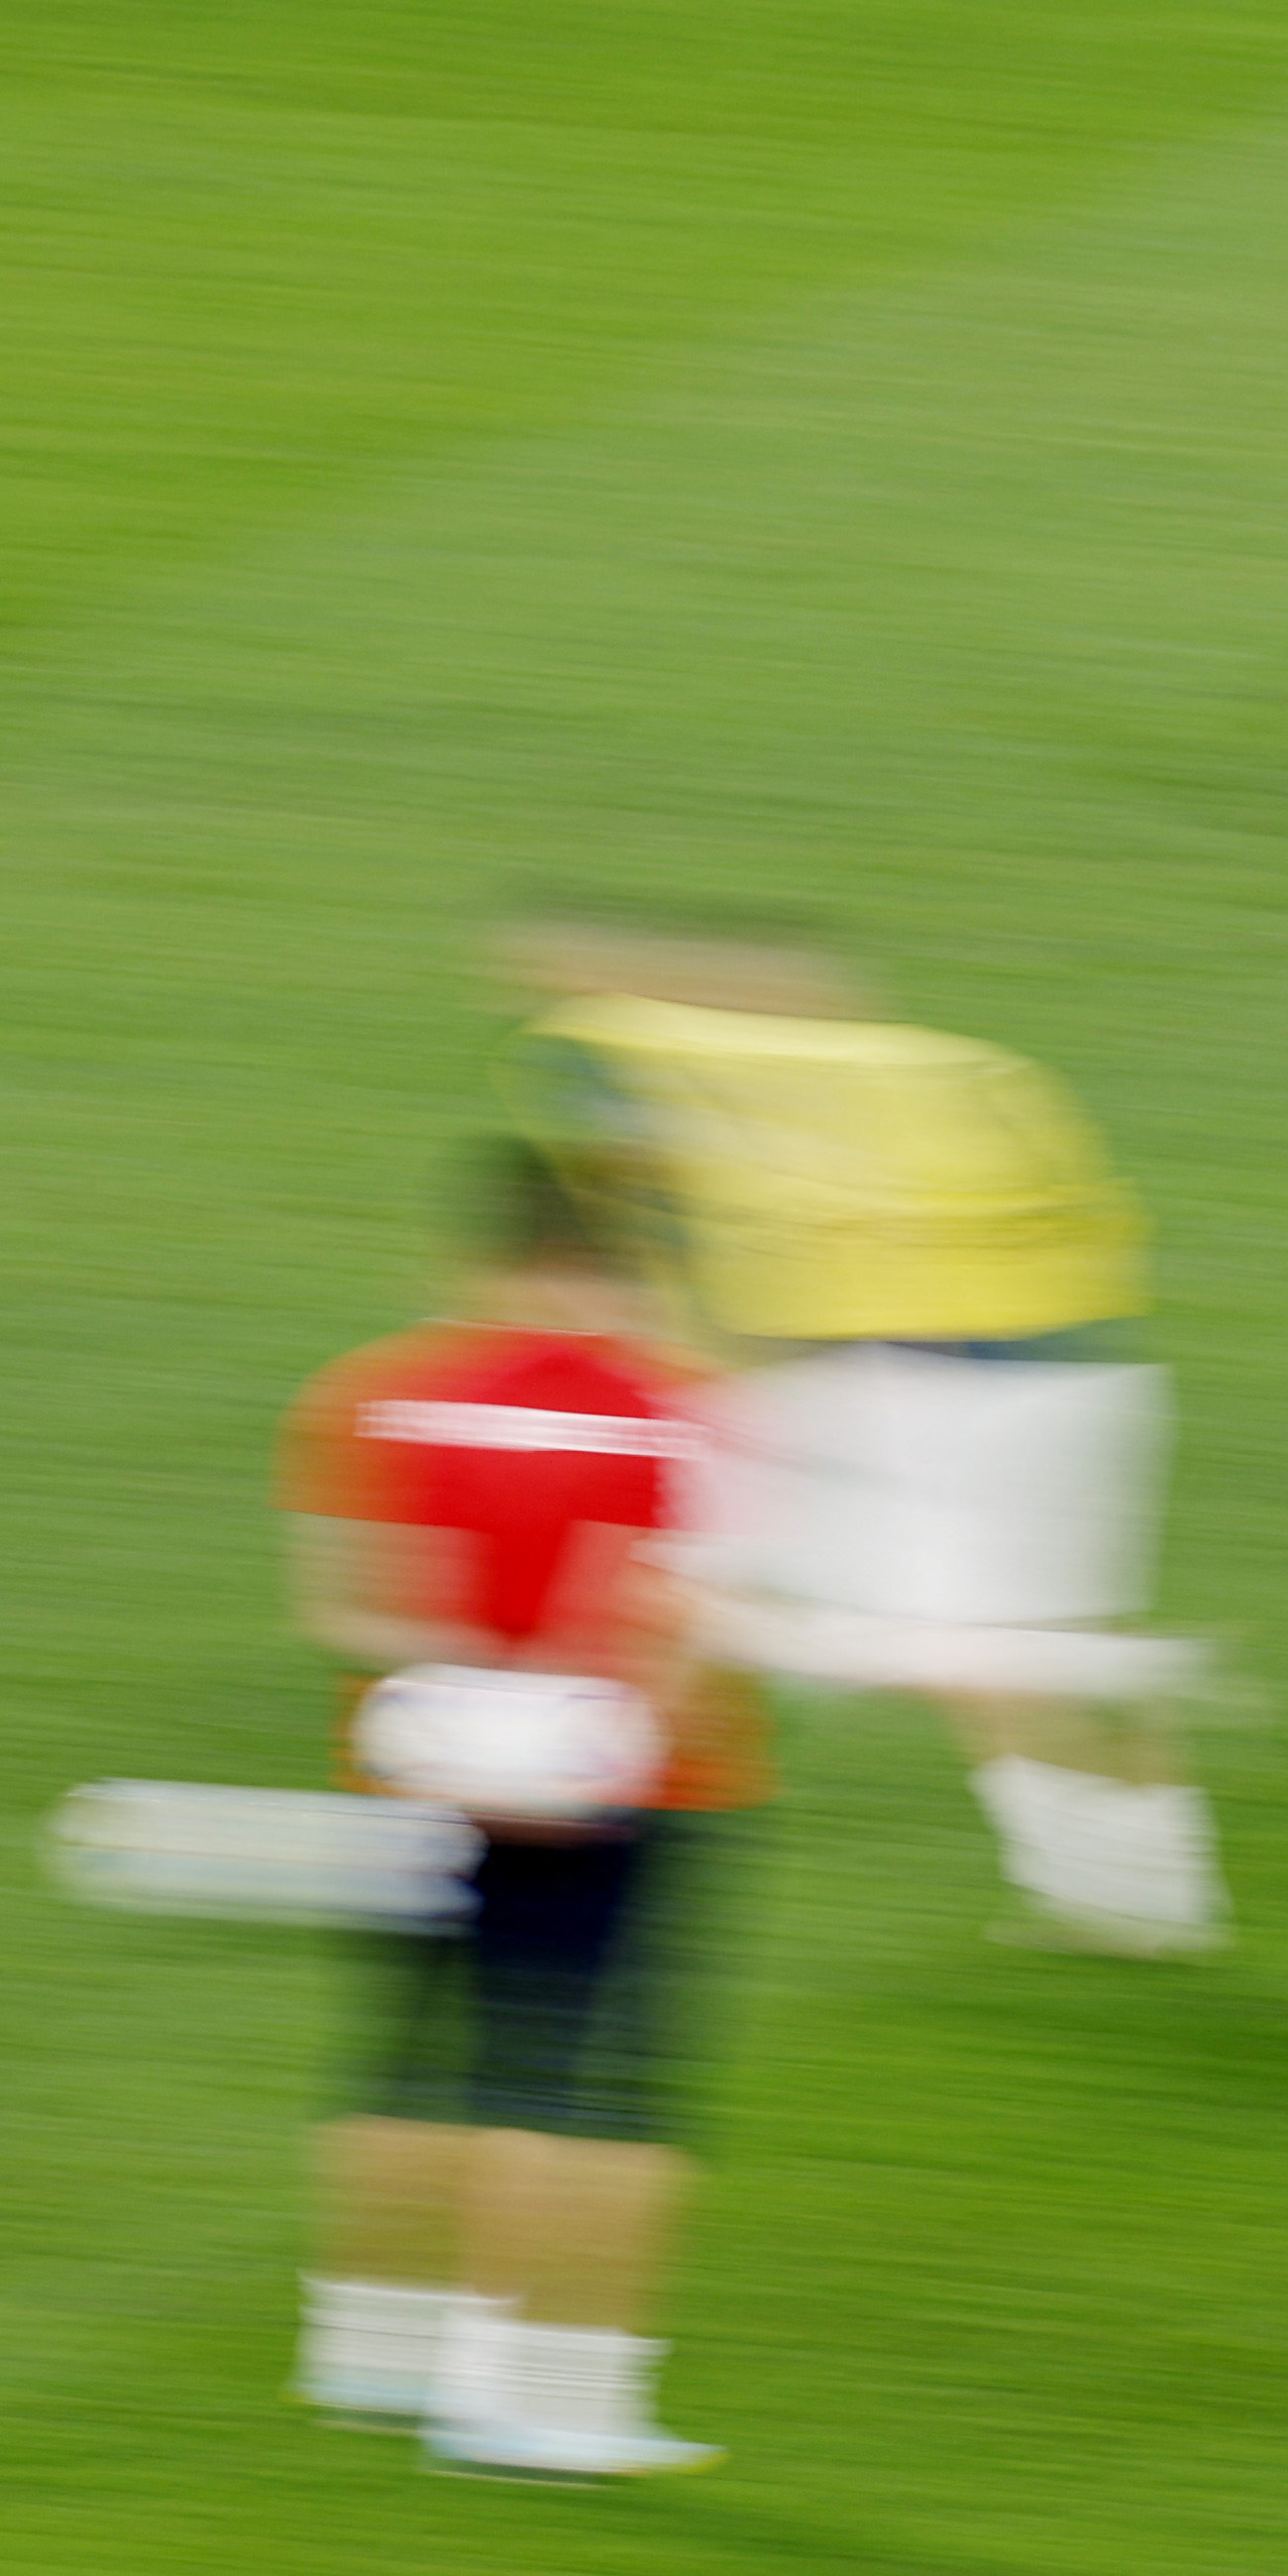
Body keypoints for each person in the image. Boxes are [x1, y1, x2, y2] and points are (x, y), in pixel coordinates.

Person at [497, 898, 1227, 1958]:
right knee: (1016, 1653)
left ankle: (557, 1814)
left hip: (883, 1382)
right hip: (1051, 1371)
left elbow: (662, 1236)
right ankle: (1135, 1888)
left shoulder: (628, 1061)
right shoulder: (940, 1072)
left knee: (716, 1596)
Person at [279, 1143, 761, 2479]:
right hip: (624, 1789)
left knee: (406, 2065)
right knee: (593, 2101)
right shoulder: (682, 1407)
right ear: (636, 1262)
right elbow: (674, 1620)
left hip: (416, 1770)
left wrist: (476, 1701)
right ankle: (540, 2398)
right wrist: (570, 1718)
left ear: (478, 1255)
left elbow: (348, 1603)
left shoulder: (377, 1394)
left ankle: (367, 2352)